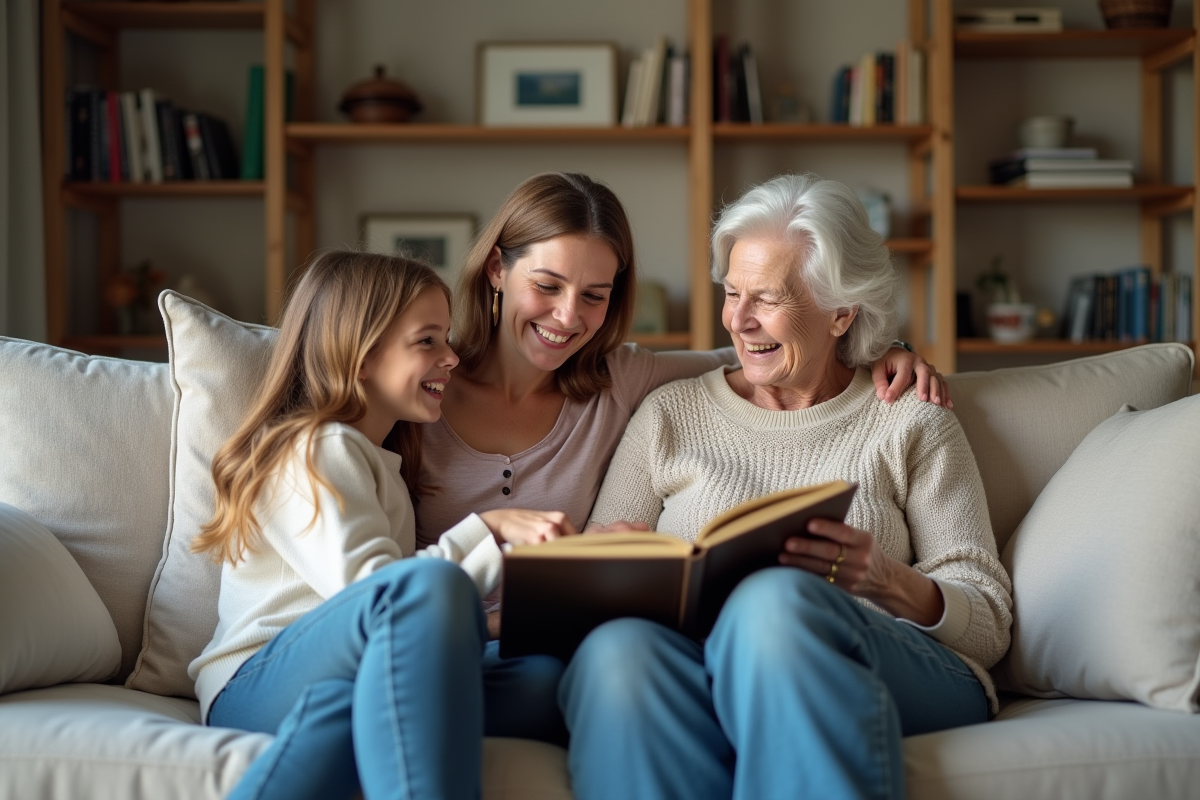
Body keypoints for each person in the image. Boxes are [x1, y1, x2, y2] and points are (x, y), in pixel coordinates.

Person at [559, 174, 1013, 800]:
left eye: (767, 299)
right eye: (731, 293)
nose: (739, 321)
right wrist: (620, 563)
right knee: (618, 651)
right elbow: (587, 590)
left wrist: (886, 579)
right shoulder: (670, 414)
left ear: (841, 313)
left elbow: (988, 626)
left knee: (774, 604)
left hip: (896, 666)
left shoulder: (909, 415)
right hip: (699, 660)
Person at [188, 250, 575, 800]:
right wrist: (485, 531)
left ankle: (341, 711)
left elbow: (396, 625)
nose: (452, 358)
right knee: (428, 588)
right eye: (428, 341)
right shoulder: (317, 447)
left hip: (345, 671)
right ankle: (346, 712)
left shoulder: (383, 461)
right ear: (361, 356)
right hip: (256, 683)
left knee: (545, 680)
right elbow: (376, 594)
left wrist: (503, 623)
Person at [415, 172, 951, 557]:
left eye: (595, 295)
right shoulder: (418, 388)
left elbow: (769, 355)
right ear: (495, 270)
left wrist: (879, 347)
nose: (568, 315)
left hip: (545, 647)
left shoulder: (621, 380)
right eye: (547, 286)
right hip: (444, 631)